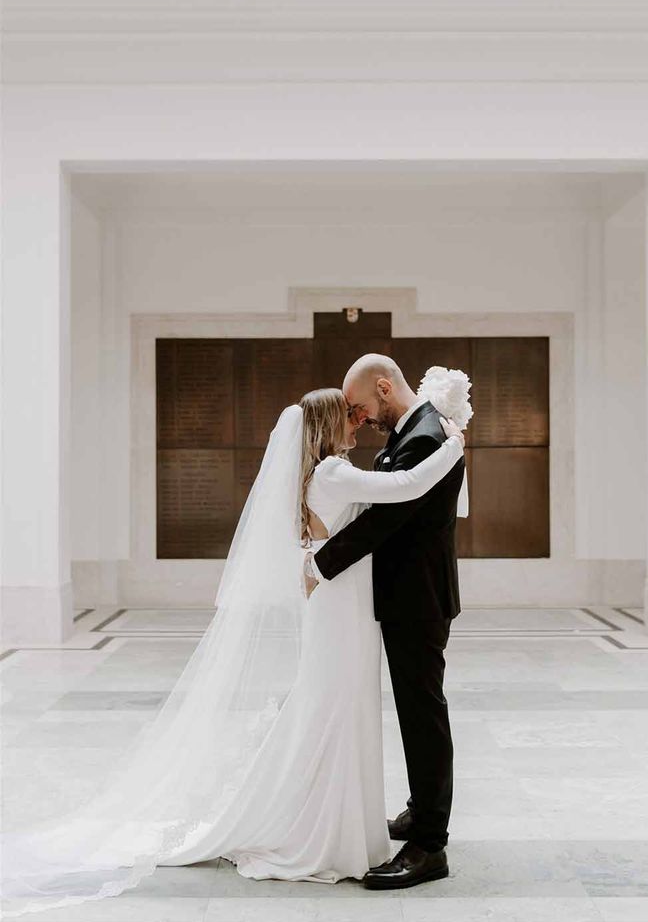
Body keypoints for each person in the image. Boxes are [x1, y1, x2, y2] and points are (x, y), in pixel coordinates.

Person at [1, 386, 464, 915]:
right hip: (342, 613)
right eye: (349, 417)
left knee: (338, 709)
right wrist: (452, 445)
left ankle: (337, 819)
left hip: (347, 608)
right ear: (324, 426)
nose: (358, 424)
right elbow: (405, 485)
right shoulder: (334, 473)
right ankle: (319, 827)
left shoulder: (325, 472)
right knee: (334, 709)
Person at [307, 354, 468, 890]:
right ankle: (421, 810)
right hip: (405, 596)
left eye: (360, 407)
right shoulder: (414, 432)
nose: (359, 418)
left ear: (383, 386)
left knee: (422, 714)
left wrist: (320, 565)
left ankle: (429, 845)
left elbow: (386, 518)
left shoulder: (424, 436)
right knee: (415, 711)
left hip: (417, 599)